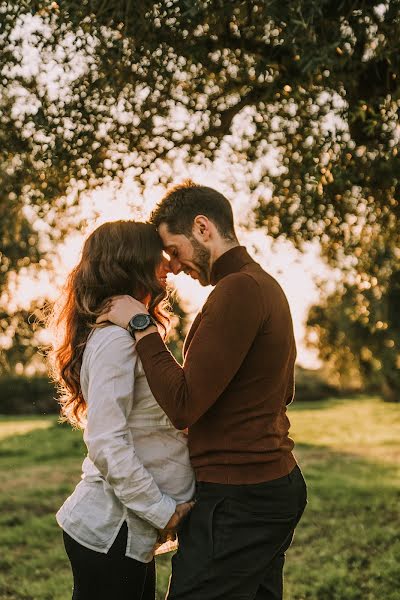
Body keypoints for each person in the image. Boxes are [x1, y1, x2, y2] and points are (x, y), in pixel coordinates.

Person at [98, 181, 308, 600]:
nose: (172, 267)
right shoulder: (264, 286)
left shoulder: (238, 290)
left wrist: (142, 326)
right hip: (265, 488)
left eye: (174, 250)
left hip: (240, 496)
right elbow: (283, 390)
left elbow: (183, 405)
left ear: (202, 228)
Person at [49, 220, 195, 600]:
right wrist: (165, 511)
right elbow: (105, 442)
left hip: (125, 531)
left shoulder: (126, 333)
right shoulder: (117, 340)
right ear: (132, 262)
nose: (167, 265)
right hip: (111, 532)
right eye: (157, 256)